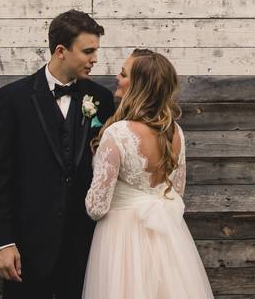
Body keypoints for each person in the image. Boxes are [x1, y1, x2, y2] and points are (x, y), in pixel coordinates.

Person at [0, 10, 117, 299]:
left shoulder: (102, 99)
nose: (95, 59)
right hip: (28, 247)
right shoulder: (12, 99)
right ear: (61, 51)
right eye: (88, 51)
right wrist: (2, 242)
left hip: (84, 245)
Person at [82, 49, 214, 299]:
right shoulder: (175, 132)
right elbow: (177, 192)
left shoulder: (117, 133)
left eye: (123, 74)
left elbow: (96, 207)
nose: (117, 78)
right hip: (167, 240)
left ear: (139, 84)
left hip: (121, 241)